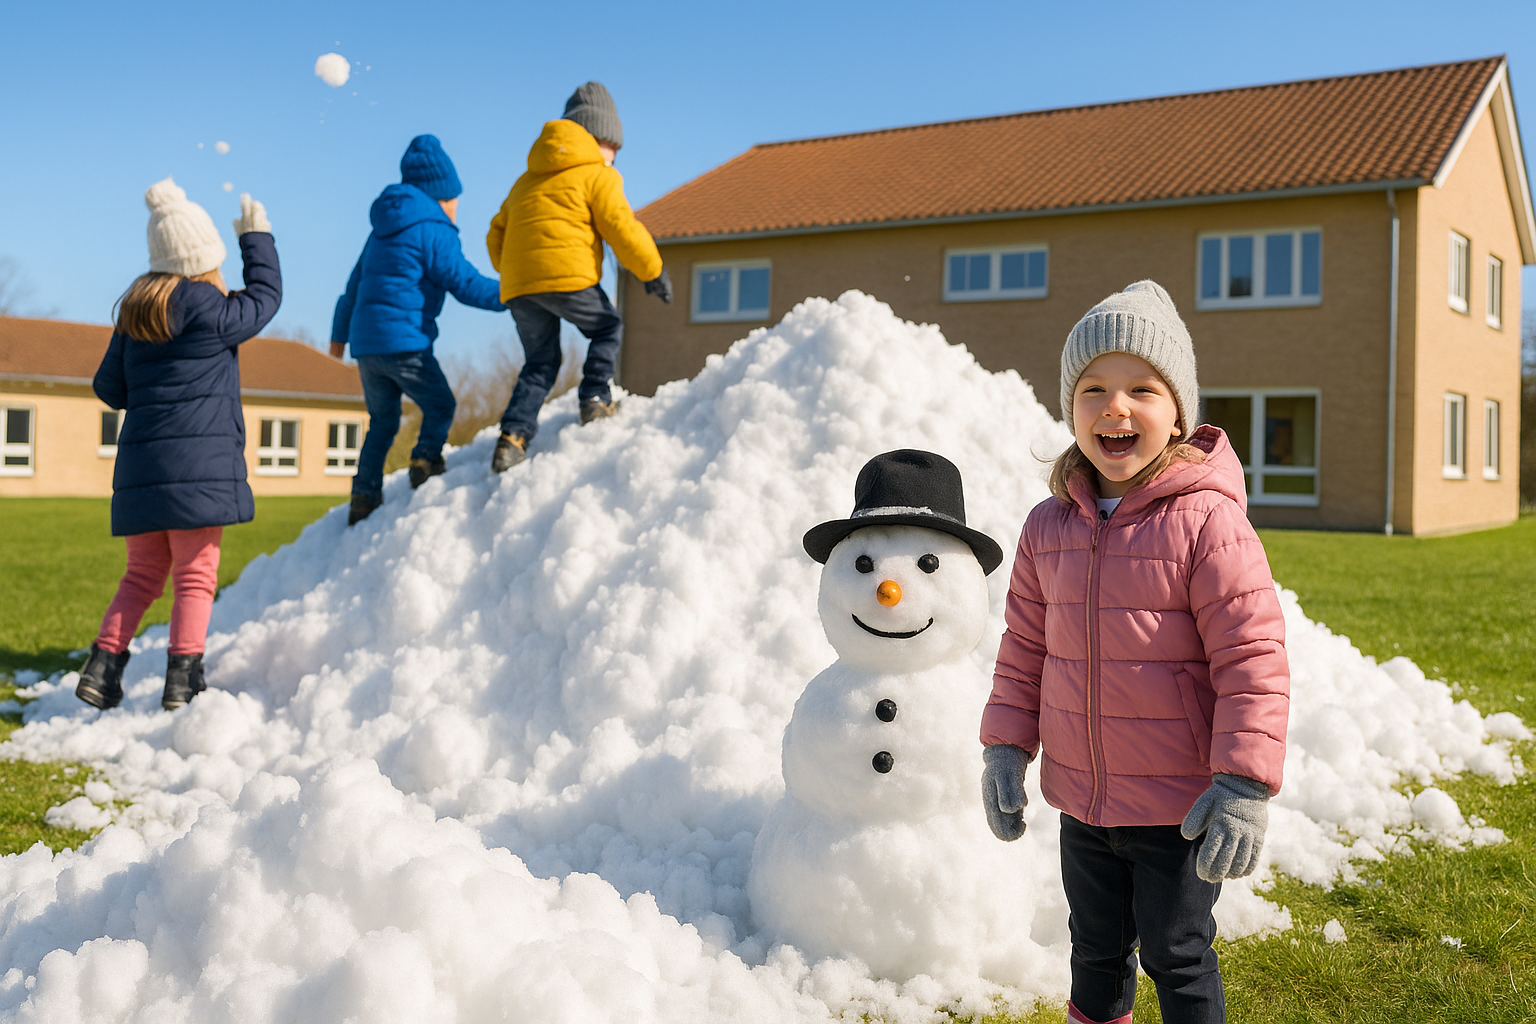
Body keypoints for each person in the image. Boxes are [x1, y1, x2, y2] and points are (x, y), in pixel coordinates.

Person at [978, 281, 1290, 1024]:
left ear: (1178, 411)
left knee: (1177, 954)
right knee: (1093, 950)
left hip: (1179, 806)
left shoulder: (1206, 522)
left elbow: (1252, 656)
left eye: (1141, 389)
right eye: (1093, 390)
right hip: (1083, 800)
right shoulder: (1047, 526)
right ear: (1070, 409)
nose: (1115, 408)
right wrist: (1005, 748)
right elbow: (1024, 648)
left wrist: (1243, 784)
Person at [77, 179, 281, 712]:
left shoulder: (136, 314)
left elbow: (109, 388)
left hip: (141, 473)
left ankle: (102, 668)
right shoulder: (213, 312)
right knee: (195, 575)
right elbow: (267, 297)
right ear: (204, 258)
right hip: (198, 471)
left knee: (142, 574)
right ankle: (182, 681)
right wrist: (256, 238)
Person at [485, 81, 672, 472]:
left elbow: (495, 231)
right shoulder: (597, 175)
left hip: (520, 287)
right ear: (595, 137)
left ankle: (513, 437)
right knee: (607, 327)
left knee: (540, 361)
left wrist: (516, 272)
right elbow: (622, 228)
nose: (616, 156)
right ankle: (594, 399)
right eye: (613, 147)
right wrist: (651, 271)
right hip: (569, 277)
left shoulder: (525, 182)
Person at [330, 134, 505, 524]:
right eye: (455, 198)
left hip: (367, 346)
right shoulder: (433, 228)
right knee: (440, 404)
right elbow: (465, 283)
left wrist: (337, 337)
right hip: (405, 342)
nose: (458, 205)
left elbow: (353, 285)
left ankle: (363, 497)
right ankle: (424, 462)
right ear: (441, 194)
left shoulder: (380, 231)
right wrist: (513, 293)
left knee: (383, 423)